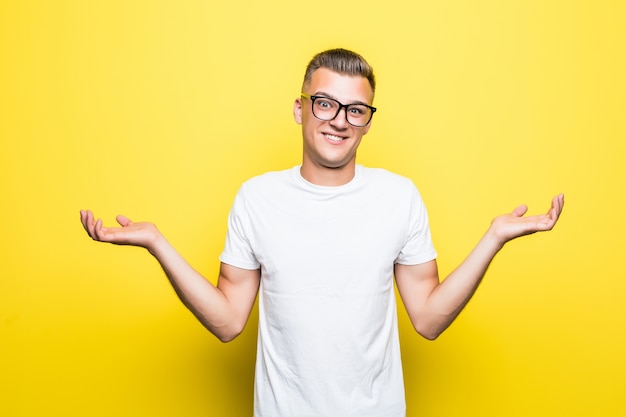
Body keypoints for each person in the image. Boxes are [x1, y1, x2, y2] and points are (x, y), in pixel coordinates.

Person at [80, 48, 564, 417]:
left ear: (368, 122)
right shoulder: (256, 198)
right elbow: (228, 321)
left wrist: (494, 238)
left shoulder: (399, 197)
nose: (339, 120)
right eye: (325, 103)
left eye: (356, 110)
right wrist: (157, 244)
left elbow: (429, 319)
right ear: (300, 108)